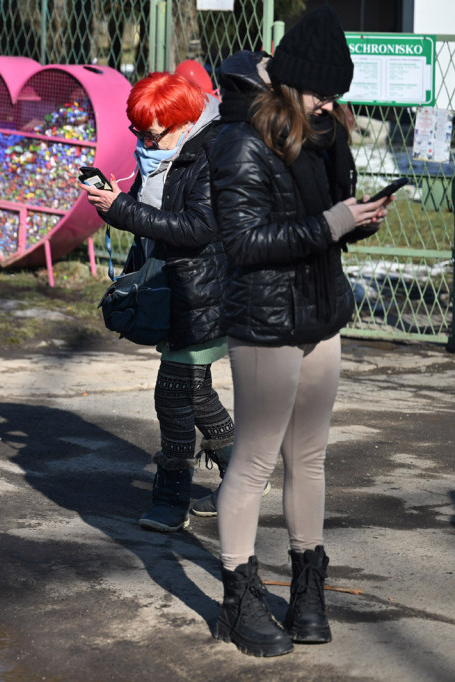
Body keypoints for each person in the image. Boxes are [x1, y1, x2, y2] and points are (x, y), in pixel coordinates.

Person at [208, 6, 389, 656]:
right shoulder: (238, 139)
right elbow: (244, 242)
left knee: (308, 457)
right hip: (264, 322)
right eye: (320, 91)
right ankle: (238, 595)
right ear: (289, 80)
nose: (327, 103)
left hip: (320, 312)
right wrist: (332, 224)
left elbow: (329, 212)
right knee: (255, 460)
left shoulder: (324, 128)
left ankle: (307, 587)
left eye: (337, 94)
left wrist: (358, 215)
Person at [81, 72, 243, 533]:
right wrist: (113, 202)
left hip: (204, 290)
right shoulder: (161, 152)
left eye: (158, 131)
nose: (149, 140)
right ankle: (242, 476)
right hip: (172, 287)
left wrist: (125, 210)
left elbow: (197, 229)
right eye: (141, 131)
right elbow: (153, 212)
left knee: (172, 393)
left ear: (187, 119)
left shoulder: (212, 151)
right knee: (194, 389)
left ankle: (171, 496)